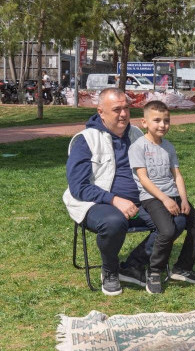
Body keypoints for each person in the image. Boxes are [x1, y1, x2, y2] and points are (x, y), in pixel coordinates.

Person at [63, 88, 157, 296]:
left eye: (126, 108)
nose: (123, 114)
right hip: (96, 204)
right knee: (114, 222)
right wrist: (114, 200)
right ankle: (110, 271)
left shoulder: (136, 135)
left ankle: (133, 266)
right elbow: (79, 187)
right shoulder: (85, 140)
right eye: (116, 109)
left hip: (138, 203)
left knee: (174, 219)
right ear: (101, 112)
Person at [128, 101, 195, 294]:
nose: (162, 125)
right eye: (157, 120)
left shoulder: (168, 147)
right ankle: (155, 271)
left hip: (173, 195)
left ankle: (182, 267)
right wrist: (164, 199)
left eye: (166, 120)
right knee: (167, 231)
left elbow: (177, 175)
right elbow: (143, 179)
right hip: (152, 197)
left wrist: (184, 199)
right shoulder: (138, 147)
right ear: (144, 122)